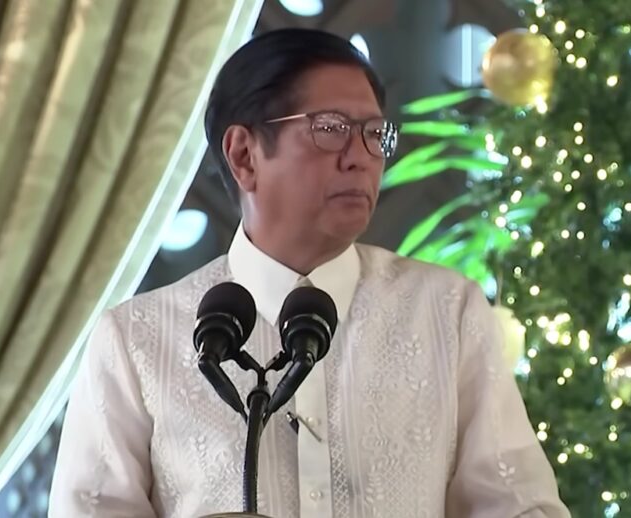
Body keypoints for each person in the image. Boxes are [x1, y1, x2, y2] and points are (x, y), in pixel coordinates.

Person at [49, 28, 570, 517]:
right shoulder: (136, 341)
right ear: (244, 155)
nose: (361, 158)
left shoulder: (447, 312)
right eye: (331, 130)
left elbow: (520, 507)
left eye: (374, 134)